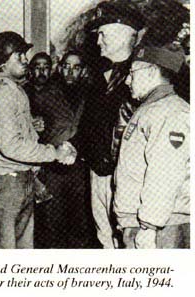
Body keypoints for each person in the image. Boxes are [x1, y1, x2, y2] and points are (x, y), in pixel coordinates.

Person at [0, 31, 77, 249]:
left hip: (21, 177)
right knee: (7, 249)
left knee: (24, 247)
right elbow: (12, 146)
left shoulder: (14, 90)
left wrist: (31, 126)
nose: (25, 61)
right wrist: (54, 153)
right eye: (19, 57)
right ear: (2, 63)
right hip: (8, 181)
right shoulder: (2, 94)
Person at [72, 1, 145, 248]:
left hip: (127, 177)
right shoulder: (99, 78)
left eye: (103, 34)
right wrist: (74, 147)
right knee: (105, 238)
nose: (98, 41)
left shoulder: (144, 76)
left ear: (124, 33)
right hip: (98, 173)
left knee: (130, 242)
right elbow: (89, 126)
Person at [114, 45, 189, 249]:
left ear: (152, 72)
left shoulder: (170, 112)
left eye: (132, 74)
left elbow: (165, 173)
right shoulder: (152, 109)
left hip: (162, 228)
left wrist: (149, 227)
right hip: (144, 224)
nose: (127, 81)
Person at [35, 50, 100, 248]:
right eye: (67, 66)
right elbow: (31, 128)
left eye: (76, 67)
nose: (71, 72)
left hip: (80, 169)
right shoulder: (44, 95)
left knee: (80, 223)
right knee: (52, 225)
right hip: (53, 168)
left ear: (83, 71)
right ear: (60, 68)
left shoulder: (91, 95)